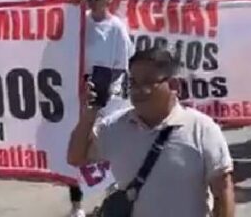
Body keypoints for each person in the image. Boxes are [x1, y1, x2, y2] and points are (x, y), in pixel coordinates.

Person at [67, 47, 235, 217]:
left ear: (173, 85)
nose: (139, 90)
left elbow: (223, 191)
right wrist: (89, 114)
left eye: (148, 82)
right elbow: (76, 157)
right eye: (133, 83)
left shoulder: (202, 129)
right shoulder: (115, 126)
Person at [66, 0, 135, 217]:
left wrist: (103, 87)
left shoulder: (116, 27)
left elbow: (122, 65)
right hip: (81, 90)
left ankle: (110, 199)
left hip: (109, 92)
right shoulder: (79, 23)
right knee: (76, 144)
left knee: (108, 148)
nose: (93, 1)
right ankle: (76, 204)